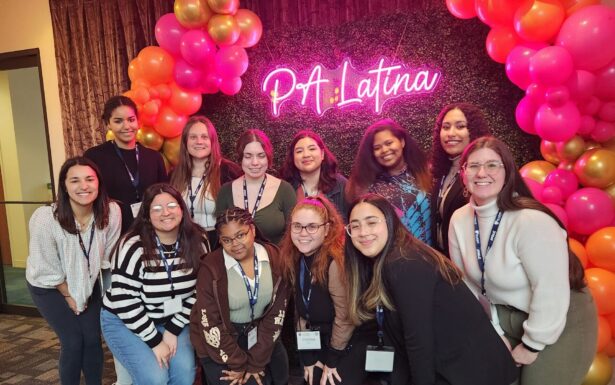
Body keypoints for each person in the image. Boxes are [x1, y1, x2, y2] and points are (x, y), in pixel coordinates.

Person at [448, 137, 597, 385]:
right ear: (463, 175)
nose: (482, 173)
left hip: (558, 315)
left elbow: (550, 291)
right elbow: (469, 286)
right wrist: (495, 331)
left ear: (507, 172)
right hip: (506, 313)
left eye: (493, 165)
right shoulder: (459, 220)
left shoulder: (530, 221)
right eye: (473, 166)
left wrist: (531, 345)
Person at [345, 193, 518, 385]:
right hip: (454, 366)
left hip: (470, 371)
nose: (363, 232)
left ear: (390, 222)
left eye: (371, 222)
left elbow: (418, 339)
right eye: (355, 226)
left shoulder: (403, 262)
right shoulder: (391, 257)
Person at [26, 157, 121, 385]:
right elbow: (46, 266)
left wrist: (86, 289)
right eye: (75, 180)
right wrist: (70, 295)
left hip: (88, 282)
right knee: (72, 340)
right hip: (49, 285)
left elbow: (106, 256)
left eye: (89, 179)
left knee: (91, 338)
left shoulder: (111, 211)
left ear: (99, 183)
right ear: (64, 185)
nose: (83, 186)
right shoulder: (46, 219)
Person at [101, 183, 209, 385]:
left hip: (174, 319)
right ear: (146, 214)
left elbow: (199, 292)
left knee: (184, 377)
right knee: (155, 379)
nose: (165, 213)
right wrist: (155, 341)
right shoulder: (133, 246)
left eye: (171, 205)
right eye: (156, 209)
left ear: (181, 209)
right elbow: (125, 300)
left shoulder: (198, 241)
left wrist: (173, 329)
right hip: (126, 320)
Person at [190, 207, 290, 385]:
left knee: (281, 376)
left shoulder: (275, 258)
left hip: (261, 333)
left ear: (252, 230)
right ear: (220, 240)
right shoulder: (210, 267)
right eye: (227, 240)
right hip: (221, 340)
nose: (235, 244)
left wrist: (255, 363)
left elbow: (277, 315)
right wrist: (239, 364)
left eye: (240, 235)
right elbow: (210, 324)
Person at [278, 196, 359, 385]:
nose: (303, 233)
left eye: (312, 226)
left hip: (344, 344)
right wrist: (308, 358)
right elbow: (301, 312)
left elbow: (345, 318)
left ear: (327, 230)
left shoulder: (335, 262)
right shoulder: (295, 257)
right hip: (315, 340)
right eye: (297, 226)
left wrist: (331, 361)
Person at [85, 95, 167, 234]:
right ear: (108, 124)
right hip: (111, 232)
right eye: (118, 121)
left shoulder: (154, 157)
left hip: (151, 231)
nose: (127, 126)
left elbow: (164, 195)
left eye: (131, 120)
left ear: (138, 122)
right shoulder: (94, 156)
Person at [346, 119, 432, 245]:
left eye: (389, 143)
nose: (384, 150)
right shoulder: (367, 186)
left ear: (402, 142)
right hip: (388, 259)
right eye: (377, 148)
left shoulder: (426, 173)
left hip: (430, 256)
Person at [170, 115, 242, 249]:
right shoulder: (174, 174)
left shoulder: (229, 172)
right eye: (193, 137)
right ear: (185, 142)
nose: (199, 141)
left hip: (219, 244)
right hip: (184, 244)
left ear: (212, 141)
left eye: (204, 137)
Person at [430, 103, 490, 256]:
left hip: (473, 262)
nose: (451, 133)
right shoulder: (443, 171)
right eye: (446, 127)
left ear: (473, 131)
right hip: (445, 262)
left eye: (460, 126)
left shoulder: (485, 171)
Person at [215, 129, 296, 244]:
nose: (255, 162)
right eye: (248, 156)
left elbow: (293, 234)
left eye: (261, 156)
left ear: (268, 157)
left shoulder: (285, 190)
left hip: (276, 260)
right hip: (236, 260)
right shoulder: (225, 191)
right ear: (240, 158)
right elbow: (221, 235)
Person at [281, 131, 348, 219]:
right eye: (299, 151)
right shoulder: (285, 188)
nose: (306, 155)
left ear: (322, 154)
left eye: (312, 149)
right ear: (293, 157)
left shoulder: (341, 185)